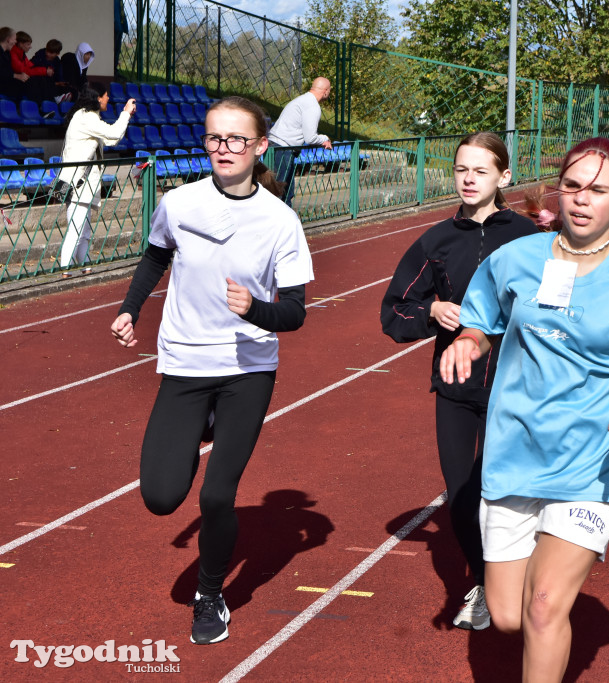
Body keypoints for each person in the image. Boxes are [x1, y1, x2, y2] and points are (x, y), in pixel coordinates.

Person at [439, 137, 609, 680]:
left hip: (593, 464)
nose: (581, 199)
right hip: (515, 453)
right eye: (572, 186)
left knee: (545, 606)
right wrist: (470, 341)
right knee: (506, 616)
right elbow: (482, 320)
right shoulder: (514, 260)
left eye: (598, 190)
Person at [109, 95, 314, 645]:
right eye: (215, 138)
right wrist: (131, 308)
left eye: (236, 140)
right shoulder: (179, 203)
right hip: (184, 361)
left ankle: (210, 595)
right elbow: (156, 254)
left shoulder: (281, 221)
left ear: (260, 147)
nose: (224, 149)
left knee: (217, 496)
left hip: (247, 368)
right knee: (159, 497)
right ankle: (203, 422)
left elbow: (294, 311)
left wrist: (256, 309)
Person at [380, 132, 537, 631]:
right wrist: (432, 310)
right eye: (461, 170)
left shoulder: (530, 237)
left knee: (502, 492)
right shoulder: (436, 241)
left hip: (516, 387)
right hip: (456, 386)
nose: (469, 179)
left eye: (481, 171)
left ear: (503, 177)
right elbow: (393, 313)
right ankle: (488, 583)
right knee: (462, 494)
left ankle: (515, 574)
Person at [56, 83, 136, 276]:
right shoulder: (86, 118)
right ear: (98, 98)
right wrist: (125, 113)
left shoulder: (88, 117)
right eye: (106, 96)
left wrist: (126, 117)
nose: (108, 99)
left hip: (85, 182)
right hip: (78, 182)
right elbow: (114, 134)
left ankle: (84, 264)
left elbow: (111, 139)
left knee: (84, 228)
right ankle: (64, 269)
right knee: (77, 226)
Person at [267, 77, 333, 206]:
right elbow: (310, 138)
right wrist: (325, 138)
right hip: (283, 148)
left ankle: (287, 223)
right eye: (330, 90)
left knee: (285, 192)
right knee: (279, 192)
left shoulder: (303, 100)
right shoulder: (312, 106)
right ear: (325, 91)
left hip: (278, 146)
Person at [0, 27, 29, 99]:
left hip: (7, 84)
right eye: (14, 39)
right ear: (8, 39)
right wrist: (16, 76)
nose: (16, 42)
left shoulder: (7, 54)